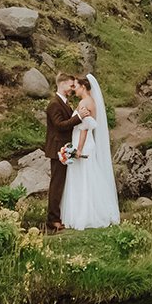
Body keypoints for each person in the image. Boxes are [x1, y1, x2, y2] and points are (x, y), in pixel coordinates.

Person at [59, 73, 121, 230]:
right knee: (87, 175)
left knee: (84, 177)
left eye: (77, 87)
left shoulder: (84, 103)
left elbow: (85, 128)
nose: (75, 90)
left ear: (84, 87)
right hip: (86, 143)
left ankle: (85, 214)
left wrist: (78, 149)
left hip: (83, 143)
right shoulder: (90, 101)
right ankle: (91, 209)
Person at [43, 73, 82, 231]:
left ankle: (60, 215)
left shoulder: (65, 102)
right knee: (57, 184)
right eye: (71, 85)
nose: (73, 89)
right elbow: (59, 125)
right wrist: (78, 118)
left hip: (65, 147)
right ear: (63, 84)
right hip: (57, 148)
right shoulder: (54, 104)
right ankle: (52, 219)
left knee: (63, 183)